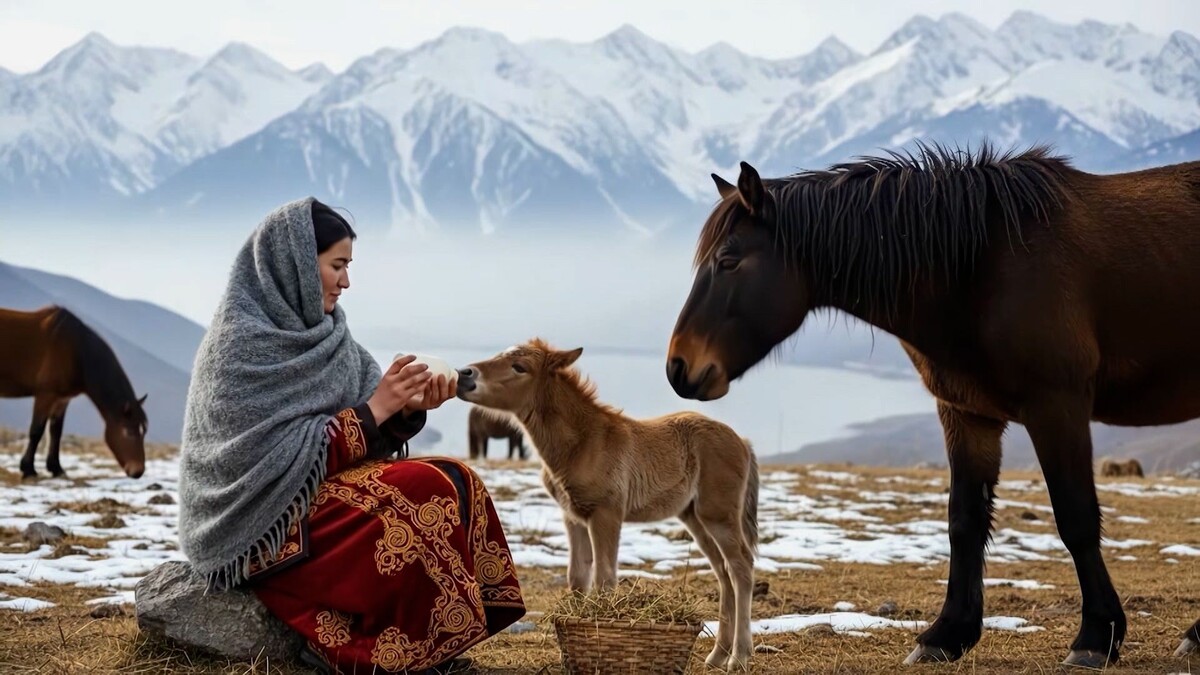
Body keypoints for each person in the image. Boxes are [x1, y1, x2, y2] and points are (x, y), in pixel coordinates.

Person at [177, 197, 525, 674]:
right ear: (298, 266)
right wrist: (376, 409)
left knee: (455, 478)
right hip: (260, 523)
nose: (346, 282)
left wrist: (405, 408)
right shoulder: (238, 345)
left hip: (315, 499)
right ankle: (373, 650)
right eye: (336, 266)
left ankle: (431, 646)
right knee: (420, 495)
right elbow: (259, 460)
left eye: (348, 267)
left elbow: (366, 431)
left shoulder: (332, 337)